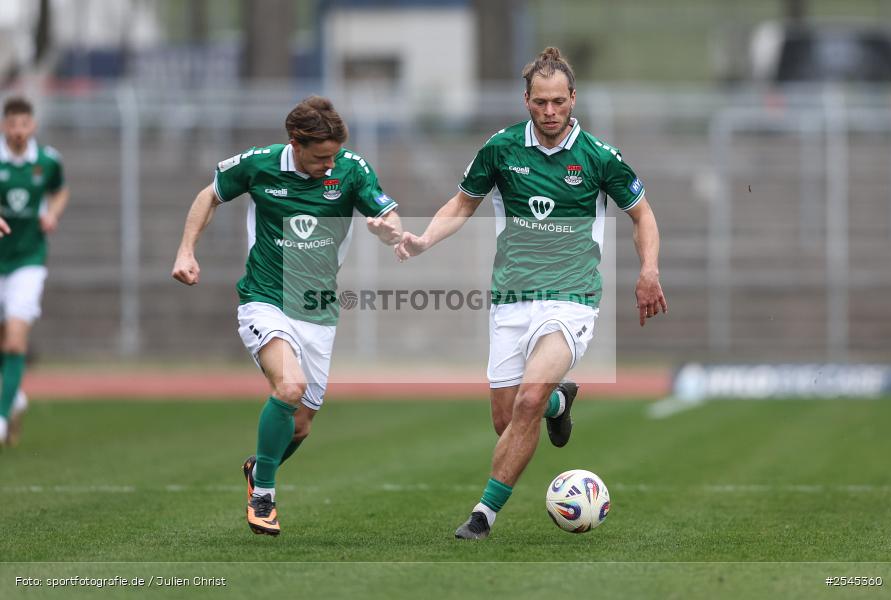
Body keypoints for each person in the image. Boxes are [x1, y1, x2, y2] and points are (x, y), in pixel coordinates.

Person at [395, 47, 667, 539]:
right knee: (507, 420)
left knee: (526, 404)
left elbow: (642, 214)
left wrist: (649, 270)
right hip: (510, 301)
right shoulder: (500, 150)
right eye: (541, 102)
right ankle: (559, 405)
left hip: (571, 298)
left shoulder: (600, 157)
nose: (550, 112)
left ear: (573, 99)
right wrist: (424, 239)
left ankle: (483, 515)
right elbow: (462, 204)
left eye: (559, 102)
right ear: (526, 100)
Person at [172, 96, 402, 536]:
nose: (329, 165)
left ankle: (259, 466)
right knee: (290, 386)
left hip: (318, 310)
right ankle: (265, 494)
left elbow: (385, 211)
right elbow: (210, 195)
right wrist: (186, 250)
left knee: (300, 425)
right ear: (294, 143)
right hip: (265, 299)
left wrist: (388, 227)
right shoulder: (259, 165)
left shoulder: (351, 168)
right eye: (320, 157)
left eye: (334, 155)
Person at [0, 96, 68, 447]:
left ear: (33, 126)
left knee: (14, 339)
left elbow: (60, 191)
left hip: (28, 261)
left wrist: (52, 213)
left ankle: (0, 417)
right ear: (4, 126)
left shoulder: (47, 161)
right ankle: (13, 398)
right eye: (12, 125)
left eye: (24, 124)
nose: (18, 132)